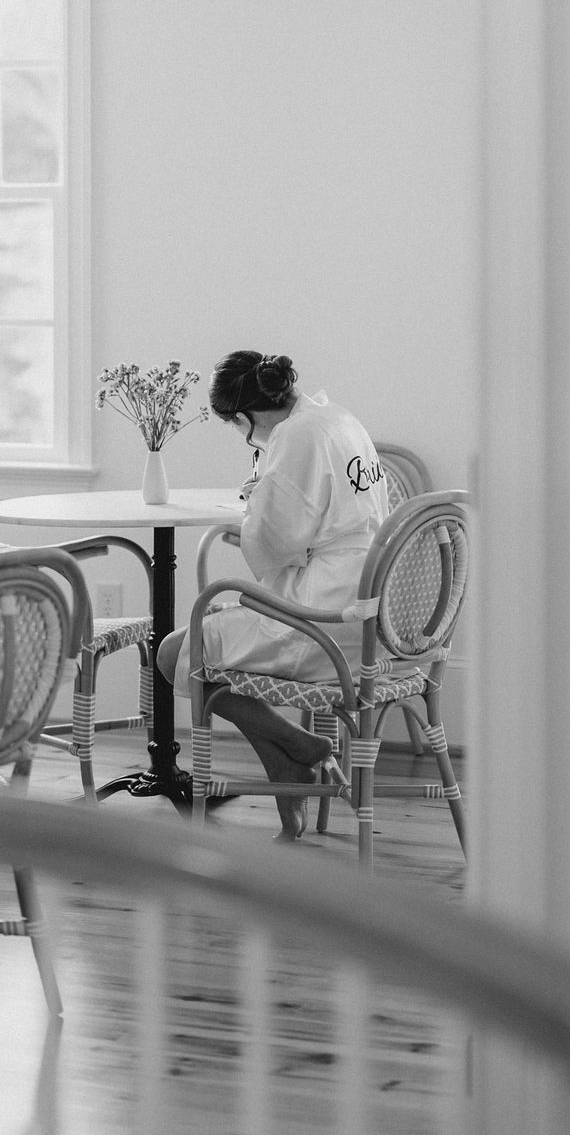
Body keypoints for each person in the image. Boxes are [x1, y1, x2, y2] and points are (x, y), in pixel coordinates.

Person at [156, 350, 390, 840]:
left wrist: (256, 501)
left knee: (178, 651)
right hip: (370, 617)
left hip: (325, 621)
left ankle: (297, 745)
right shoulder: (334, 417)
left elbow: (273, 544)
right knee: (214, 640)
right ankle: (288, 762)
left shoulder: (295, 436)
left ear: (245, 416)